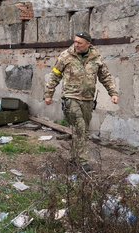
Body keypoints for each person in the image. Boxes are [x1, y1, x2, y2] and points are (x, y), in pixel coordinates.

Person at [44, 31, 119, 172]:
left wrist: (113, 93)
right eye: (75, 41)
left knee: (83, 131)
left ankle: (74, 158)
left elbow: (106, 76)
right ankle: (84, 163)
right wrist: (48, 94)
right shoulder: (65, 56)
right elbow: (55, 76)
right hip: (71, 97)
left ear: (88, 44)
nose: (76, 44)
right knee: (80, 127)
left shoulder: (96, 58)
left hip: (88, 100)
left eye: (80, 42)